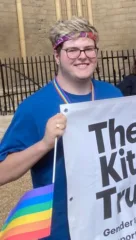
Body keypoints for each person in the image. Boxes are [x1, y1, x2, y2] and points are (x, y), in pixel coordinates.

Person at [0, 17, 122, 239]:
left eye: (88, 49)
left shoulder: (113, 94)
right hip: (63, 229)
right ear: (57, 56)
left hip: (113, 221)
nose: (82, 56)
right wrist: (44, 144)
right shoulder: (34, 107)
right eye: (72, 50)